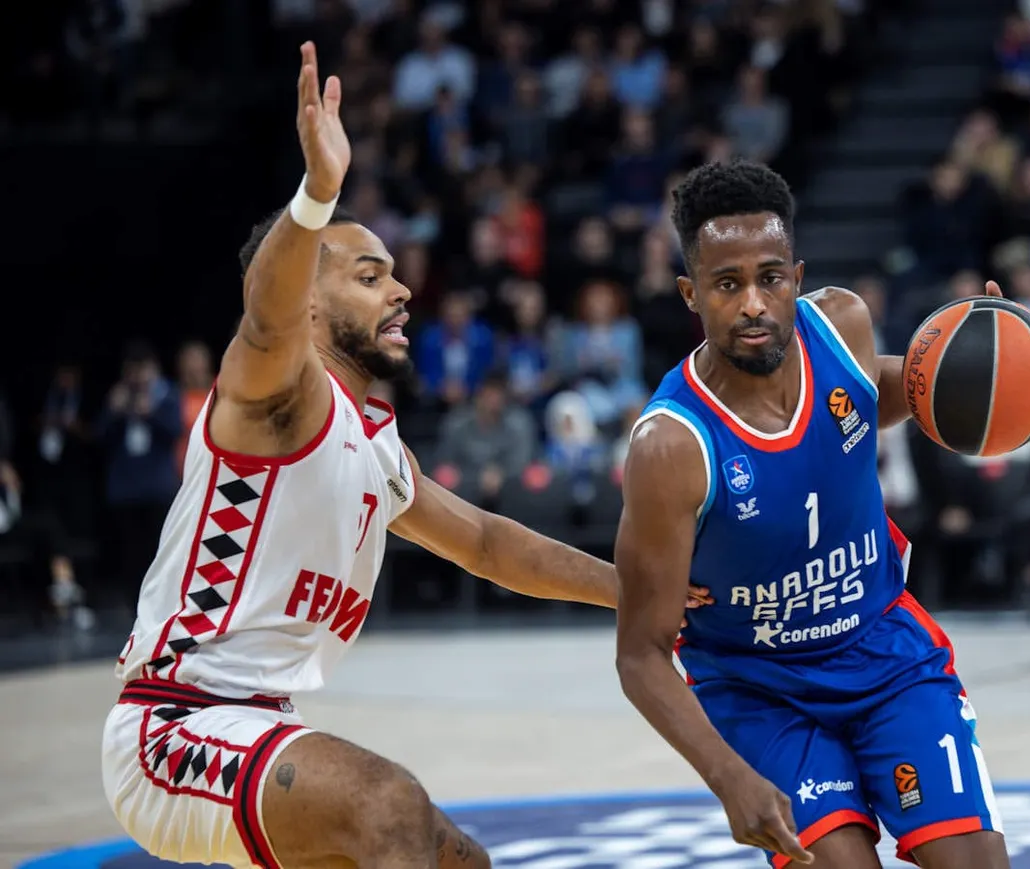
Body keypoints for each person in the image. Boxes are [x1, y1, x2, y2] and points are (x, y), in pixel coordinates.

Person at [101, 44, 709, 869]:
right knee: (387, 804)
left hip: (262, 724)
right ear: (308, 301)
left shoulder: (375, 438)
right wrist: (317, 194)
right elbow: (266, 316)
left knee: (460, 858)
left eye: (395, 274)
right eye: (369, 275)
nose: (402, 291)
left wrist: (641, 591)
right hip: (173, 725)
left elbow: (490, 544)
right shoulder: (273, 396)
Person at [614, 160, 1030, 869]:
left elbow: (908, 389)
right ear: (690, 294)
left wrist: (1008, 354)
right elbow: (641, 653)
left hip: (883, 650)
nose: (754, 304)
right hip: (759, 688)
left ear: (796, 275)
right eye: (727, 284)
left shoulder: (843, 328)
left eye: (770, 277)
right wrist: (727, 775)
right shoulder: (671, 447)